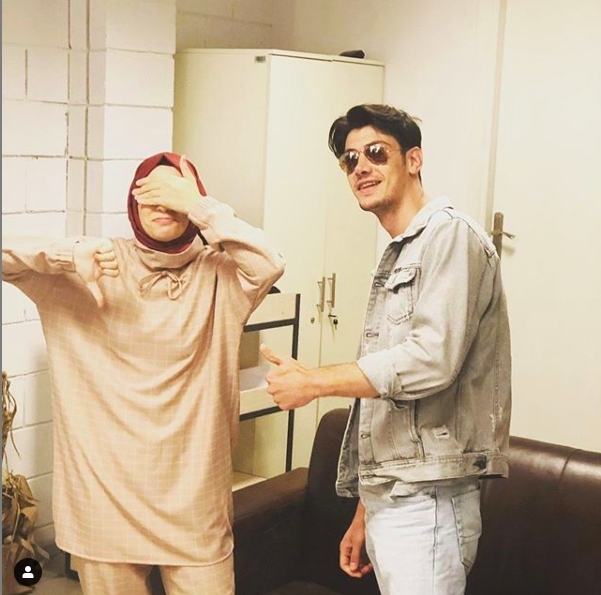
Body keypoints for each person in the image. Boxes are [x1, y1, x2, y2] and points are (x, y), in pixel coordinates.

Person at [2, 152, 285, 595]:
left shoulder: (220, 276)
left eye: (176, 194)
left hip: (194, 506)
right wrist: (65, 256)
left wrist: (200, 207)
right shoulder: (97, 263)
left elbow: (269, 263)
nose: (163, 204)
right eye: (151, 192)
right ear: (133, 202)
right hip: (104, 504)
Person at [260, 104, 511, 595]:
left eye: (376, 152)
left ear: (413, 160)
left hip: (428, 500)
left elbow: (429, 361)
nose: (362, 167)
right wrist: (366, 509)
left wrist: (312, 382)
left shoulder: (450, 236)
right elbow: (388, 405)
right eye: (350, 160)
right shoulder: (400, 251)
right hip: (396, 495)